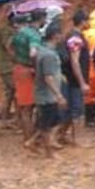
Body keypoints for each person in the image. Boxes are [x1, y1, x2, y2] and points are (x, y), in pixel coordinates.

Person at [27, 23, 67, 157]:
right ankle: (49, 152)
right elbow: (48, 77)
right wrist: (59, 95)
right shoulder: (49, 55)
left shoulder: (42, 51)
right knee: (48, 126)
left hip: (45, 94)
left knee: (49, 121)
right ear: (56, 36)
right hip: (47, 95)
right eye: (60, 34)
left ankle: (32, 142)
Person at [11, 10, 47, 145]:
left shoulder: (19, 34)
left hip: (19, 69)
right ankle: (30, 139)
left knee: (25, 107)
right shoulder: (33, 35)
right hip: (29, 71)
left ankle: (28, 137)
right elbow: (33, 53)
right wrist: (35, 66)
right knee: (29, 107)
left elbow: (10, 48)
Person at [58, 11, 90, 145]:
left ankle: (62, 135)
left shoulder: (71, 35)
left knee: (70, 109)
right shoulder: (76, 38)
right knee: (77, 109)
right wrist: (82, 82)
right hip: (74, 79)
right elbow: (75, 61)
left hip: (70, 77)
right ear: (83, 21)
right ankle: (77, 140)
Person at [0, 11, 20, 130]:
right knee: (16, 92)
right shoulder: (6, 31)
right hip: (8, 66)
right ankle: (16, 120)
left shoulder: (8, 30)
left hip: (8, 66)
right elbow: (8, 46)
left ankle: (6, 121)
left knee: (9, 94)